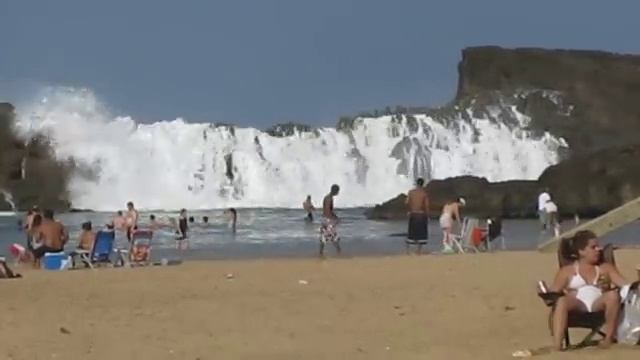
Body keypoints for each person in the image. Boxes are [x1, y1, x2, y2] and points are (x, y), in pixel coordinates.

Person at [546, 230, 627, 350]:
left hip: (598, 304)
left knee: (613, 296)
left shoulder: (605, 268)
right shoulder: (567, 271)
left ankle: (608, 339)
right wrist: (562, 292)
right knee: (562, 301)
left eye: (598, 246)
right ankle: (557, 345)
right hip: (578, 304)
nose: (598, 249)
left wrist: (611, 288)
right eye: (593, 247)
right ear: (581, 251)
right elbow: (551, 295)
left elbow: (626, 286)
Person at [405, 178, 429, 254]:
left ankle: (408, 251)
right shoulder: (424, 194)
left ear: (416, 183)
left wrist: (409, 211)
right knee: (421, 234)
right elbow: (426, 206)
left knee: (411, 233)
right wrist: (427, 215)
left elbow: (406, 202)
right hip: (421, 215)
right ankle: (418, 251)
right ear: (423, 184)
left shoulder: (411, 192)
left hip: (413, 214)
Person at [320, 184, 341, 257]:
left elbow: (328, 210)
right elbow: (328, 210)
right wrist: (334, 219)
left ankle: (321, 253)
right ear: (335, 191)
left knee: (324, 237)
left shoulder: (327, 197)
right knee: (334, 237)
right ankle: (339, 252)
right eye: (338, 191)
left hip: (325, 219)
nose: (338, 193)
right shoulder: (329, 198)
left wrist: (335, 217)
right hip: (328, 220)